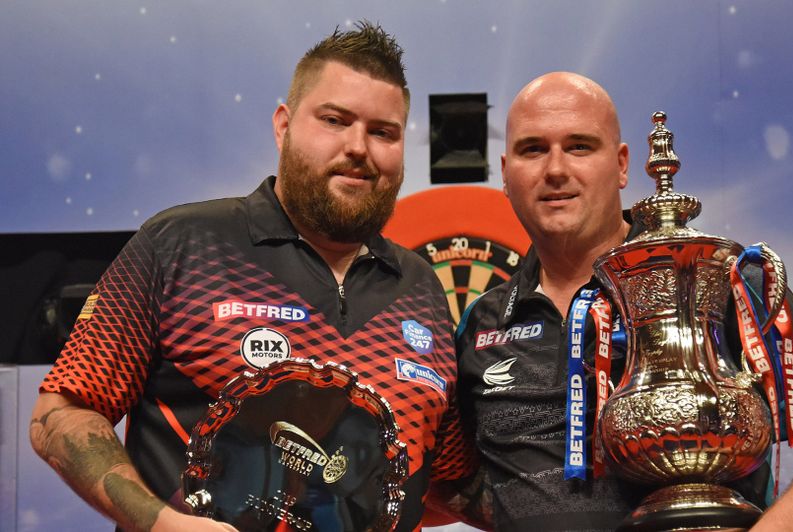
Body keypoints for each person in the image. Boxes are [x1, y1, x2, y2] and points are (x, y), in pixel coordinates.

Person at [30, 22, 473, 532]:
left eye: (382, 131)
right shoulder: (183, 244)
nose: (358, 146)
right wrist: (160, 523)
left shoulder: (420, 287)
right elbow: (60, 413)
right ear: (284, 124)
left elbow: (446, 480)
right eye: (334, 119)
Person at [454, 72, 793, 531]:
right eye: (533, 149)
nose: (556, 169)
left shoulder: (717, 277)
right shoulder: (481, 321)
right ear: (506, 174)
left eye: (580, 146)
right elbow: (456, 480)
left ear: (622, 164)